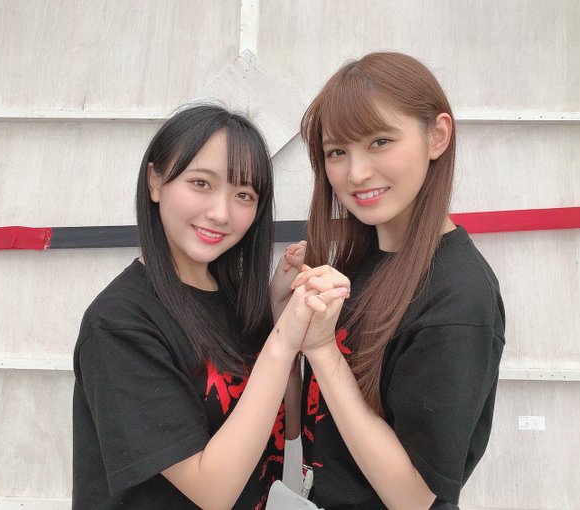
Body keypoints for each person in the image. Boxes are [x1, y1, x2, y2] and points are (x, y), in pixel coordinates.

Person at [72, 104, 348, 509]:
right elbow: (213, 493)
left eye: (243, 195)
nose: (221, 213)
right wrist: (282, 341)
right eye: (201, 183)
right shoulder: (119, 324)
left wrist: (277, 313)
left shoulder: (234, 298)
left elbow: (287, 429)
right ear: (155, 181)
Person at [292, 52, 506, 509]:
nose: (356, 173)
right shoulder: (364, 260)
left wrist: (323, 350)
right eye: (337, 151)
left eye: (380, 141)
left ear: (437, 136)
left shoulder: (457, 296)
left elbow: (412, 498)